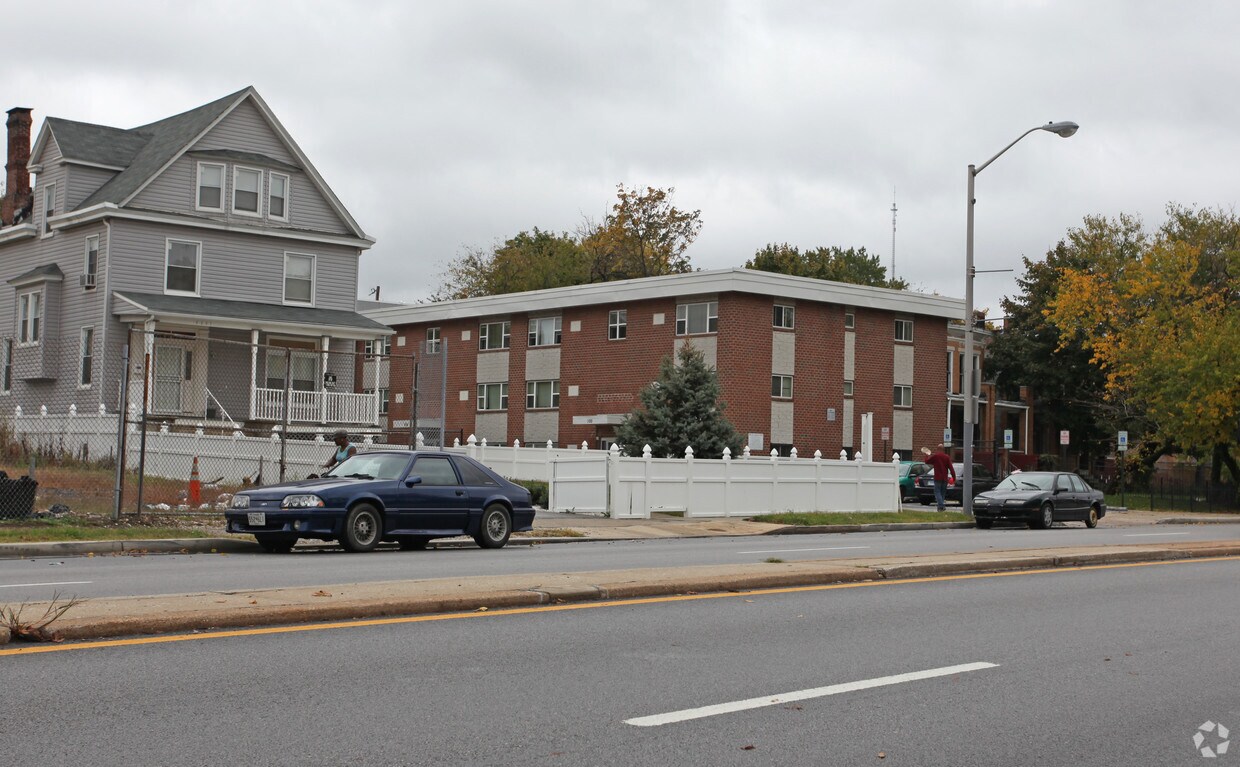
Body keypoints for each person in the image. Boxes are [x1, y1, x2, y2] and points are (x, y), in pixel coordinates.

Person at [922, 445, 956, 511]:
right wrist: (954, 477)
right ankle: (940, 508)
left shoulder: (936, 456)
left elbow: (927, 461)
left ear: (937, 449)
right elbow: (951, 468)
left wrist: (926, 455)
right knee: (942, 493)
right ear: (943, 450)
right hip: (945, 478)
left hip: (937, 478)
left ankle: (941, 505)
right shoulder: (947, 457)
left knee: (937, 492)